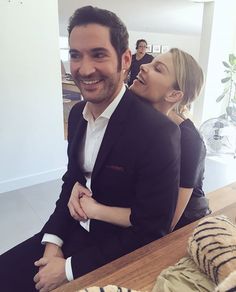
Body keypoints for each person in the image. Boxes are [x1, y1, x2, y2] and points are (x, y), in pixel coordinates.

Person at [0, 6, 180, 292]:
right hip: (69, 232)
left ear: (124, 59)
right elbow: (71, 180)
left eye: (98, 54)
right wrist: (52, 243)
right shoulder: (77, 114)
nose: (84, 69)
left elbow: (151, 229)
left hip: (114, 252)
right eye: (75, 55)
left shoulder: (158, 133)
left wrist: (68, 270)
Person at [129, 48, 211, 231]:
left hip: (183, 226)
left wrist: (97, 210)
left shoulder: (190, 141)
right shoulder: (136, 118)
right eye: (150, 63)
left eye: (158, 69)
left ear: (174, 95)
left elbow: (169, 222)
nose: (143, 66)